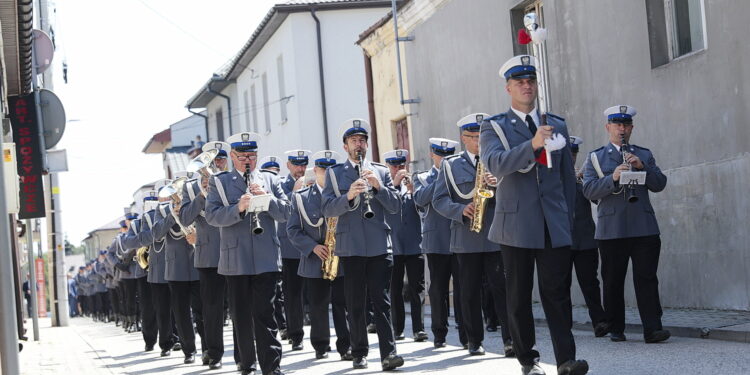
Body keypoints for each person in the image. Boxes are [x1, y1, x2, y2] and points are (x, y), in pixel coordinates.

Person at [479, 55, 588, 375]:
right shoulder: (495, 126)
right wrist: (533, 144)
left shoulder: (557, 123)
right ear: (508, 87)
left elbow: (567, 177)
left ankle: (566, 359)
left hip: (553, 222)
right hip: (515, 224)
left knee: (557, 293)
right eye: (520, 82)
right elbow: (496, 164)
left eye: (531, 81)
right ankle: (528, 359)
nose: (527, 86)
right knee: (519, 295)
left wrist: (566, 217)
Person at [581, 105, 670, 344]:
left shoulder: (644, 154)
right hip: (612, 229)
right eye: (617, 124)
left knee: (647, 279)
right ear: (608, 127)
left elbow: (660, 183)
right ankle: (616, 328)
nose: (622, 129)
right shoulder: (595, 157)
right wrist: (613, 178)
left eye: (626, 125)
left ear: (631, 127)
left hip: (643, 227)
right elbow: (588, 190)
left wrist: (643, 167)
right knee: (612, 281)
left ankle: (653, 328)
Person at [321, 119, 404, 371]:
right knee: (355, 303)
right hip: (351, 247)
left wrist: (379, 187)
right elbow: (326, 208)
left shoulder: (379, 171)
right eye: (354, 141)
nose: (359, 144)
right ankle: (359, 352)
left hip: (379, 245)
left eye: (362, 140)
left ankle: (389, 353)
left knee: (382, 301)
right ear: (345, 146)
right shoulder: (335, 174)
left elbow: (395, 205)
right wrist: (348, 196)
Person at [206, 132, 290, 375]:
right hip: (236, 260)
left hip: (265, 258)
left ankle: (272, 367)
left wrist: (267, 197)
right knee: (241, 317)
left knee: (266, 316)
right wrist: (238, 208)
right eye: (242, 156)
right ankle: (247, 364)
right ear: (232, 156)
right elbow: (212, 216)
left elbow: (285, 212)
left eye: (251, 156)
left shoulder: (270, 179)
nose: (247, 161)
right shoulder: (219, 182)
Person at [433, 113, 513, 357]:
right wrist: (460, 210)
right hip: (466, 237)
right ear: (463, 138)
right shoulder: (450, 165)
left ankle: (511, 339)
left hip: (495, 235)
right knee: (468, 293)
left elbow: (514, 195)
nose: (479, 141)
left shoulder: (496, 160)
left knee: (503, 290)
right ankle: (474, 340)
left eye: (482, 136)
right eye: (474, 137)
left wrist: (498, 185)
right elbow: (439, 200)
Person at [287, 151, 353, 361]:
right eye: (323, 169)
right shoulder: (301, 197)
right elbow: (293, 230)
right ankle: (321, 345)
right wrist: (312, 247)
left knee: (343, 304)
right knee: (317, 305)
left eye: (331, 169)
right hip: (315, 259)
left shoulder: (344, 195)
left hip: (341, 257)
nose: (327, 173)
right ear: (315, 171)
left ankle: (346, 346)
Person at [180, 141, 231, 369]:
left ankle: (244, 354)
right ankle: (213, 353)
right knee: (211, 309)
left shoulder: (234, 181)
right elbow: (184, 218)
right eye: (212, 161)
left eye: (221, 159)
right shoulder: (190, 188)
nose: (217, 164)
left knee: (240, 307)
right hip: (208, 255)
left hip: (235, 251)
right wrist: (202, 195)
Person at [413, 137, 468, 349]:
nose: (443, 158)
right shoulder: (423, 177)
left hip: (459, 237)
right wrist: (442, 179)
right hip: (436, 240)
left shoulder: (460, 174)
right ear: (431, 155)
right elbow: (419, 199)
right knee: (437, 290)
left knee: (463, 289)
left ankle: (466, 334)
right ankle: (439, 333)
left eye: (447, 156)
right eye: (439, 154)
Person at [150, 176, 204, 364]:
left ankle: (208, 348)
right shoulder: (161, 210)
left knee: (202, 310)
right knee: (181, 313)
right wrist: (172, 216)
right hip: (175, 268)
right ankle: (189, 350)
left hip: (198, 263)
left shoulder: (194, 204)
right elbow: (156, 234)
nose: (176, 195)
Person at [382, 149, 428, 343]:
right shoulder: (384, 187)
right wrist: (393, 185)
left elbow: (424, 211)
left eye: (402, 165)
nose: (399, 169)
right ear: (389, 168)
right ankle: (398, 329)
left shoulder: (415, 186)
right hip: (394, 246)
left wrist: (412, 191)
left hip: (414, 244)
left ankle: (418, 329)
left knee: (417, 289)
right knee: (395, 289)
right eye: (395, 166)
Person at [568, 136, 609, 337]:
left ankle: (599, 321)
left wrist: (584, 181)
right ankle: (563, 324)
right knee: (560, 285)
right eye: (568, 154)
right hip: (562, 240)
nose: (572, 158)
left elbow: (596, 200)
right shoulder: (551, 178)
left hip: (585, 239)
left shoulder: (582, 177)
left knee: (590, 283)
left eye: (574, 154)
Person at [137, 185, 180, 357]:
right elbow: (145, 237)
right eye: (165, 195)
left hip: (177, 264)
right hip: (159, 266)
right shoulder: (148, 218)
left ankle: (178, 338)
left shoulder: (180, 209)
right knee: (162, 308)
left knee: (178, 306)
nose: (168, 198)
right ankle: (166, 343)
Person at [278, 149, 312, 351]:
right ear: (288, 165)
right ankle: (296, 334)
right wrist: (295, 191)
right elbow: (281, 211)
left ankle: (320, 336)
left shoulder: (313, 182)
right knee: (292, 294)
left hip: (311, 245)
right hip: (290, 247)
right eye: (296, 164)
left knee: (315, 294)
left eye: (303, 164)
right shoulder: (282, 185)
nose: (300, 169)